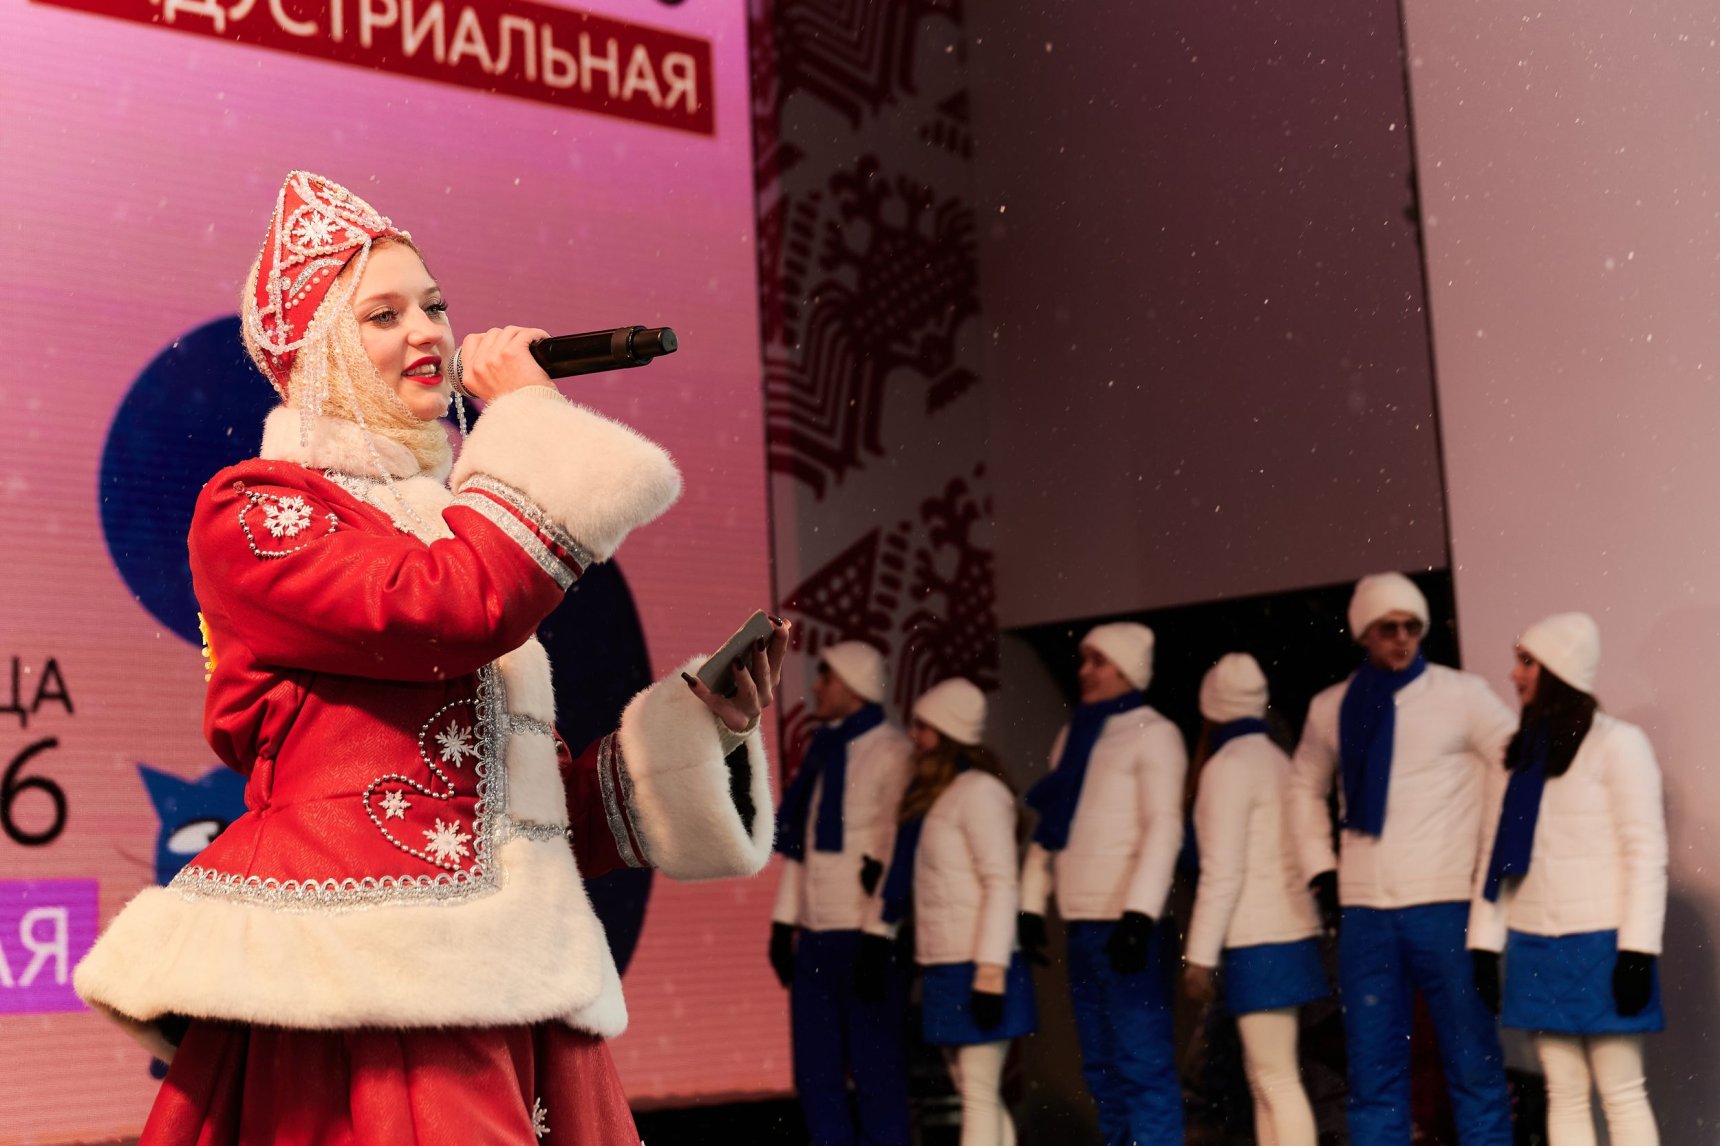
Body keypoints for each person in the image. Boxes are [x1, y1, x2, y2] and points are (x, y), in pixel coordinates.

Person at [72, 171, 784, 1145]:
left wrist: (695, 732)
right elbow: (443, 611)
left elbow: (513, 824)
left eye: (436, 306)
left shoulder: (456, 529)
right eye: (384, 314)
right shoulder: (258, 512)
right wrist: (526, 422)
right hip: (372, 991)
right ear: (317, 351)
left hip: (507, 986)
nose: (429, 334)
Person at [1286, 572, 1516, 1144]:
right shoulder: (1332, 706)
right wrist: (1321, 869)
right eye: (1388, 628)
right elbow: (1302, 787)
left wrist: (1488, 866)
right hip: (1367, 909)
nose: (1402, 638)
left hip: (1443, 903)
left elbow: (1513, 764)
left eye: (1412, 626)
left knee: (1472, 1063)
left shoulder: (1462, 695)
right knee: (1372, 1071)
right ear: (1364, 631)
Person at [1469, 613, 1666, 1145]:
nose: (1514, 674)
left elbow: (1645, 852)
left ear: (1559, 668)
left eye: (1526, 662)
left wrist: (1637, 951)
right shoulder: (1517, 755)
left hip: (1603, 942)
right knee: (1564, 1092)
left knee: (1621, 1091)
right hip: (1535, 942)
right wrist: (1483, 945)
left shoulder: (1618, 744)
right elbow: (1493, 855)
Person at [1018, 622, 1188, 1146]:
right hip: (1082, 921)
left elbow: (1164, 827)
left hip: (1129, 926)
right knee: (1101, 1066)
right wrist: (1030, 903)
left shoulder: (1156, 732)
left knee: (1143, 1063)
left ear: (1129, 668)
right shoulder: (1074, 735)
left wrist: (1139, 913)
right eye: (1084, 660)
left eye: (1100, 661)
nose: (1085, 671)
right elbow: (1052, 822)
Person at [769, 641, 915, 1146]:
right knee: (817, 1074)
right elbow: (804, 843)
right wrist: (784, 922)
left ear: (854, 684)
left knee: (877, 1072)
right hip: (817, 934)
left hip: (864, 934)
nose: (816, 687)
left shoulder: (893, 751)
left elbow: (894, 849)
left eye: (826, 678)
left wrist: (879, 932)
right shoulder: (824, 749)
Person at [879, 678, 1035, 1146]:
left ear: (948, 733)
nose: (914, 736)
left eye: (924, 727)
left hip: (978, 965)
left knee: (978, 1096)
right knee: (976, 1093)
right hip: (947, 964)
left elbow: (1001, 882)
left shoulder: (980, 792)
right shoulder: (943, 796)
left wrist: (989, 973)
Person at [1183, 653, 1325, 1146]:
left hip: (1259, 936)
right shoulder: (1279, 760)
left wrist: (1199, 955)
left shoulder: (1227, 767)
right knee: (1268, 1075)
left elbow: (1221, 870)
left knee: (1274, 1078)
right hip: (1285, 931)